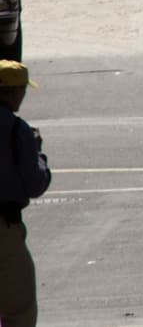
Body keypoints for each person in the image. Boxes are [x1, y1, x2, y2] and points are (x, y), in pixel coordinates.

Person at [0, 60, 51, 327]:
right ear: (10, 92)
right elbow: (35, 183)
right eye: (21, 90)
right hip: (4, 227)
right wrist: (37, 152)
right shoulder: (16, 130)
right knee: (19, 309)